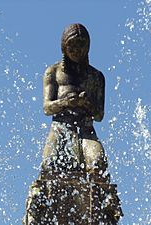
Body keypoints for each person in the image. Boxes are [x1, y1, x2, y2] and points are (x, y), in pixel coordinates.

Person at [41, 23, 108, 181]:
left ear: (88, 47)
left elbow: (99, 115)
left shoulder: (96, 77)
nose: (77, 50)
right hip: (60, 127)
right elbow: (47, 108)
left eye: (81, 45)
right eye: (72, 45)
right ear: (64, 46)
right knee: (49, 165)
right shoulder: (54, 72)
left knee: (98, 164)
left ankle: (97, 201)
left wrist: (87, 104)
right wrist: (65, 102)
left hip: (86, 130)